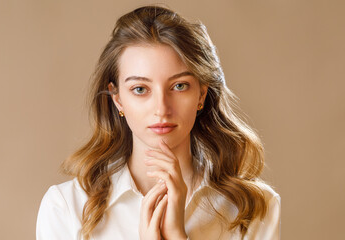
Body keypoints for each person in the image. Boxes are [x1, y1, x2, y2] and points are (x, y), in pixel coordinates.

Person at [36, 5, 280, 240]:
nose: (162, 108)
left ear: (201, 95)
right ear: (117, 98)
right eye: (140, 89)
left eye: (179, 86)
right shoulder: (67, 208)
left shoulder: (255, 208)